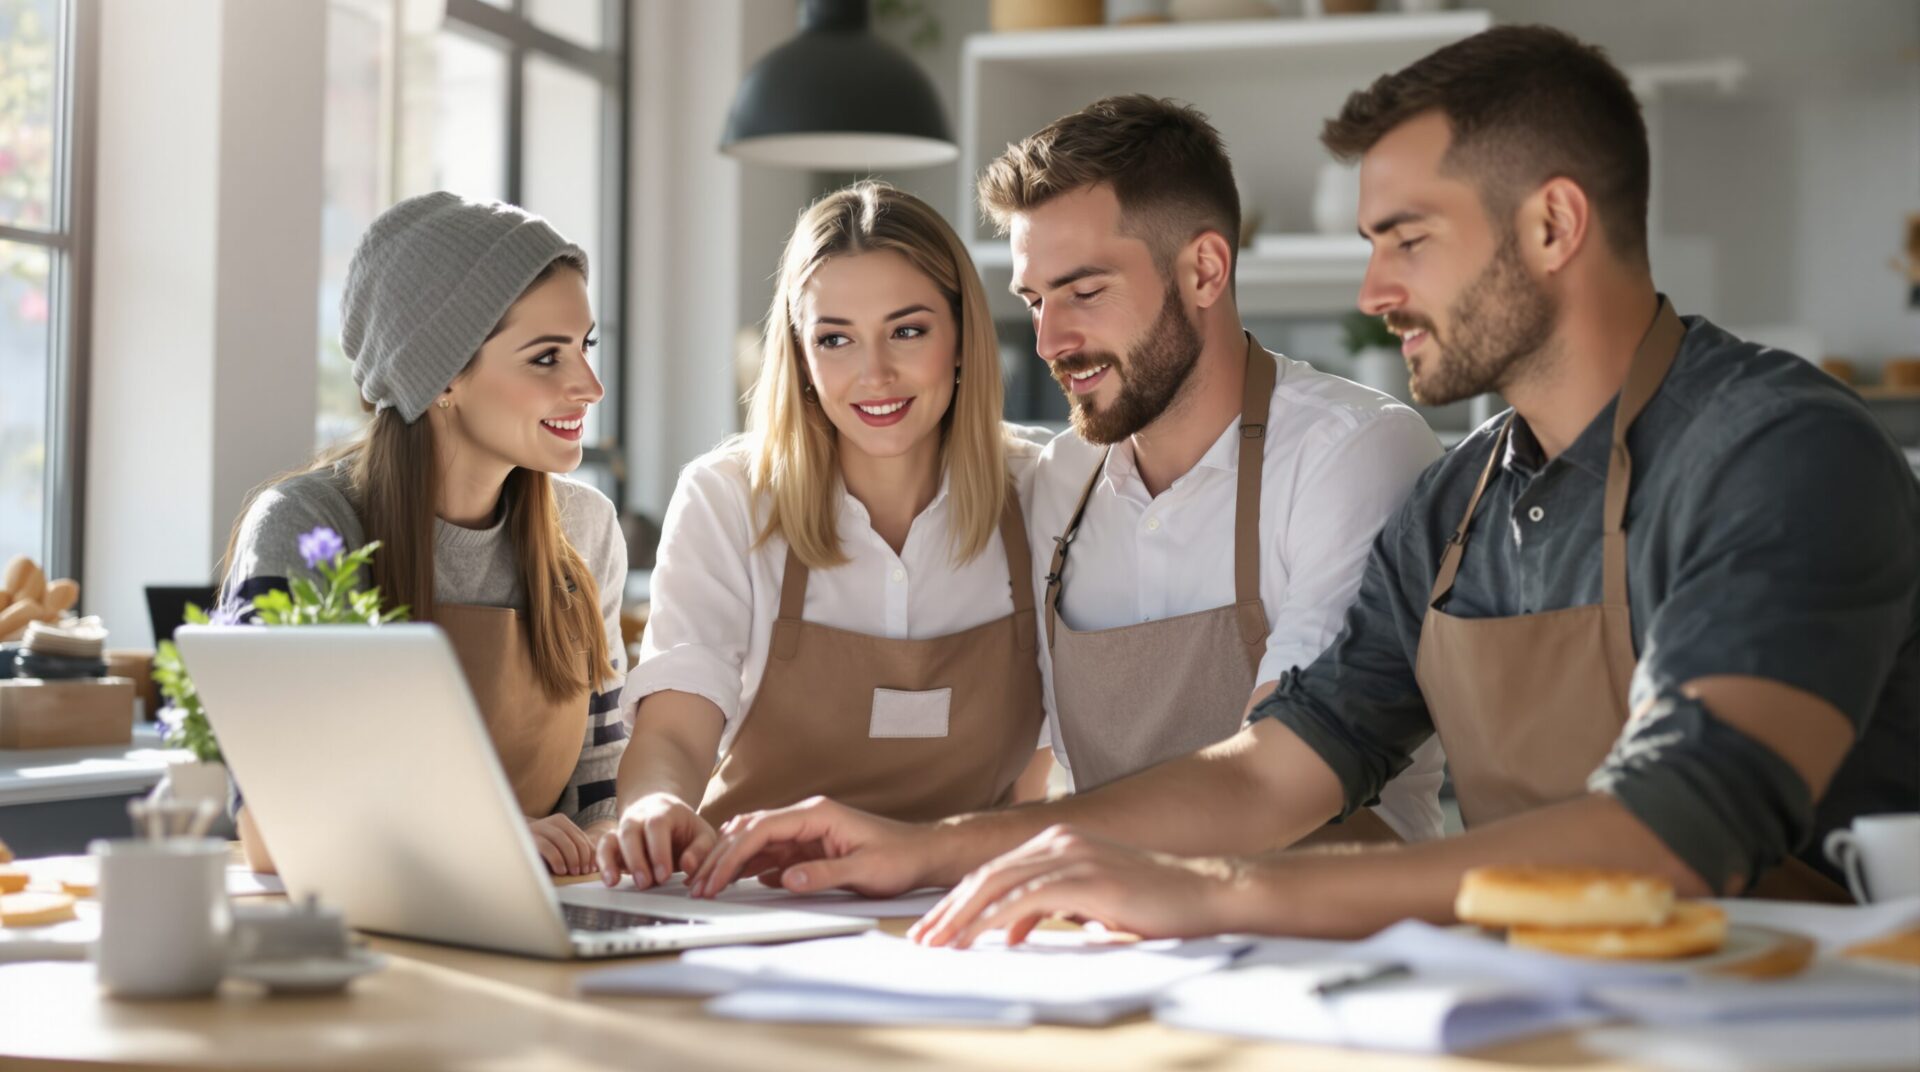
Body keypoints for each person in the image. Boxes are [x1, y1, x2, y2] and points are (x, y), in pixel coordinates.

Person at [684, 26, 1920, 944]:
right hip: (1557, 1006)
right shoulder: (1461, 504)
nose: (1374, 295)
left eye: (1408, 241)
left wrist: (1210, 890)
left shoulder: (1776, 452)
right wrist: (934, 848)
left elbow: (1679, 825)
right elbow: (1278, 767)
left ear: (1551, 227)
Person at [997, 95, 1445, 841]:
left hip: (1328, 936)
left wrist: (940, 847)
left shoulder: (1353, 453)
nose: (1049, 341)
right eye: (1034, 300)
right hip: (1114, 936)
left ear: (1205, 270)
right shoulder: (1057, 487)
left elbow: (1269, 784)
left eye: (1083, 292)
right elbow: (1027, 776)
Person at [594, 183, 1052, 889]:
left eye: (908, 330)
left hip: (965, 906)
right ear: (801, 356)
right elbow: (677, 731)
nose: (874, 374)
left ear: (962, 338)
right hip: (755, 903)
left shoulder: (1045, 495)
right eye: (834, 339)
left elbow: (1051, 766)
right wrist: (656, 804)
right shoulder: (727, 500)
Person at [223, 193, 628, 878]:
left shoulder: (586, 529)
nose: (589, 386)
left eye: (585, 347)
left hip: (546, 914)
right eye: (545, 358)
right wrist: (481, 837)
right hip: (350, 926)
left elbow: (600, 786)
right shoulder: (305, 527)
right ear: (443, 377)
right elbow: (269, 827)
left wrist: (620, 840)